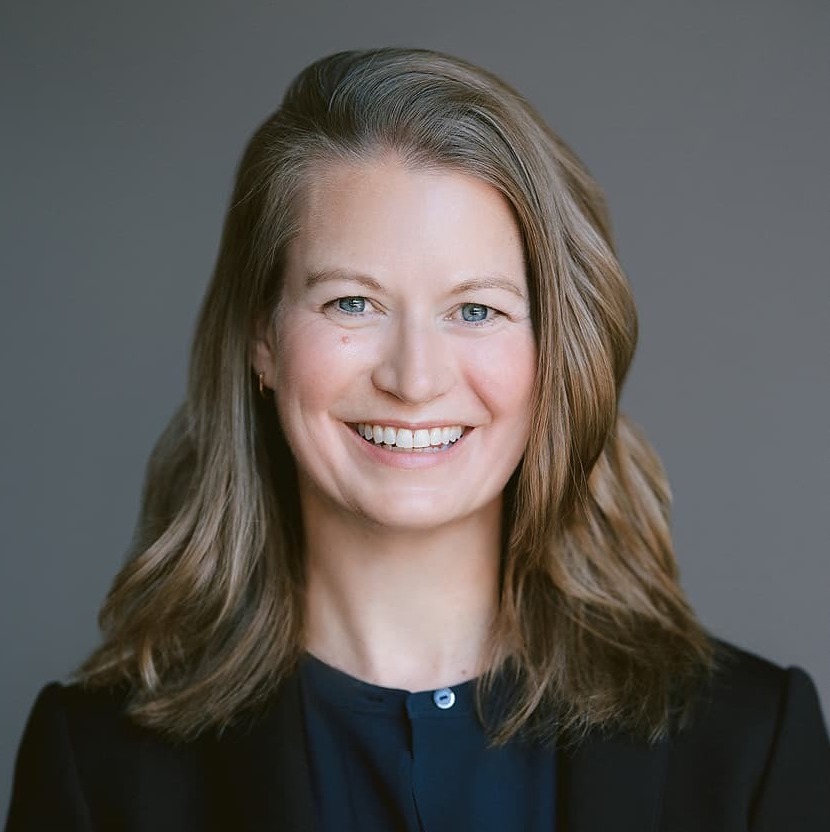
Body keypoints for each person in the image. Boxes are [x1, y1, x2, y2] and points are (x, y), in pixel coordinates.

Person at [5, 46, 830, 832]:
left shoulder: (752, 746)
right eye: (350, 303)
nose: (414, 376)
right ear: (263, 336)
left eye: (476, 309)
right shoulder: (94, 764)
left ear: (556, 348)